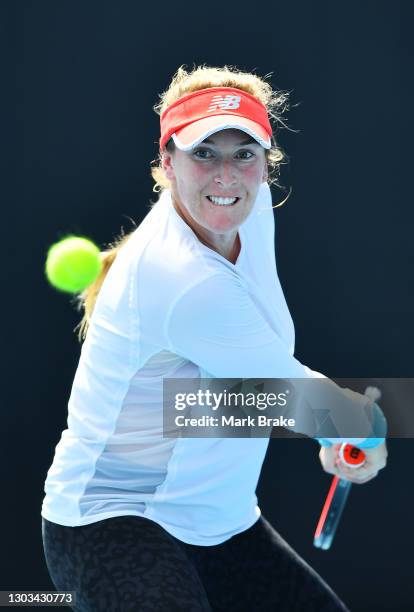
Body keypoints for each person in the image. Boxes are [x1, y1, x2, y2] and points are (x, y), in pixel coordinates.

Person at [41, 64, 388, 611]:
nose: (226, 176)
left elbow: (228, 399)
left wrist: (331, 424)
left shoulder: (247, 215)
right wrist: (361, 425)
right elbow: (287, 392)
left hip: (220, 524)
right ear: (167, 163)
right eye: (204, 153)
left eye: (244, 154)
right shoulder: (182, 281)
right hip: (113, 522)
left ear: (266, 166)